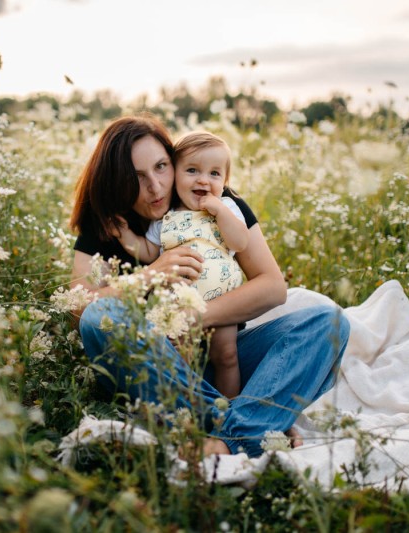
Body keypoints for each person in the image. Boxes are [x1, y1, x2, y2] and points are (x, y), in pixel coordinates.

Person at [69, 113, 349, 458]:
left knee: (329, 323)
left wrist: (191, 317)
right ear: (115, 182)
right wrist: (150, 273)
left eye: (161, 167)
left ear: (174, 162)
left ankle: (228, 433)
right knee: (101, 315)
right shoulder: (108, 224)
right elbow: (79, 306)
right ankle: (251, 424)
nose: (155, 187)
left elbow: (273, 287)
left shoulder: (214, 203)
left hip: (221, 353)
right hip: (153, 366)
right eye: (136, 177)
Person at [115, 131, 249, 398]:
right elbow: (148, 252)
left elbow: (241, 242)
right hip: (180, 301)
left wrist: (220, 211)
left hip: (222, 301)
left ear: (224, 182)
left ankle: (228, 409)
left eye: (214, 174)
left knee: (227, 355)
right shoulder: (166, 219)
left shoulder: (227, 207)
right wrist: (125, 235)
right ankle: (188, 408)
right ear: (175, 176)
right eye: (192, 170)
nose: (203, 179)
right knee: (181, 357)